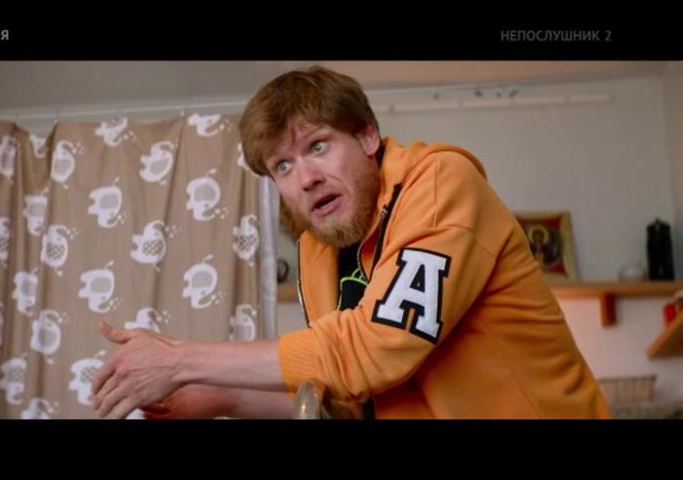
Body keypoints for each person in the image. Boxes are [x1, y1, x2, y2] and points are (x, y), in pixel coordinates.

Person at [90, 66, 610, 419]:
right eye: (283, 166)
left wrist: (179, 360)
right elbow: (350, 394)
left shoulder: (440, 183)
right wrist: (219, 396)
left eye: (317, 146)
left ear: (366, 137)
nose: (305, 178)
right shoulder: (317, 247)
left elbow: (375, 348)